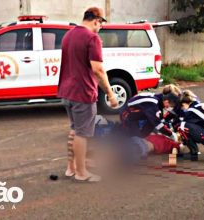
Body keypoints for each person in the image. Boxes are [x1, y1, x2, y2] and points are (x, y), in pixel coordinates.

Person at [58, 7, 118, 182]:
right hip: (82, 92)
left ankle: (71, 168)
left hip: (67, 91)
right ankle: (81, 172)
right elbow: (98, 70)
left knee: (75, 130)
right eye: (101, 24)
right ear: (96, 20)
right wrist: (111, 94)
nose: (100, 28)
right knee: (82, 134)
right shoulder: (92, 38)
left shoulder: (68, 35)